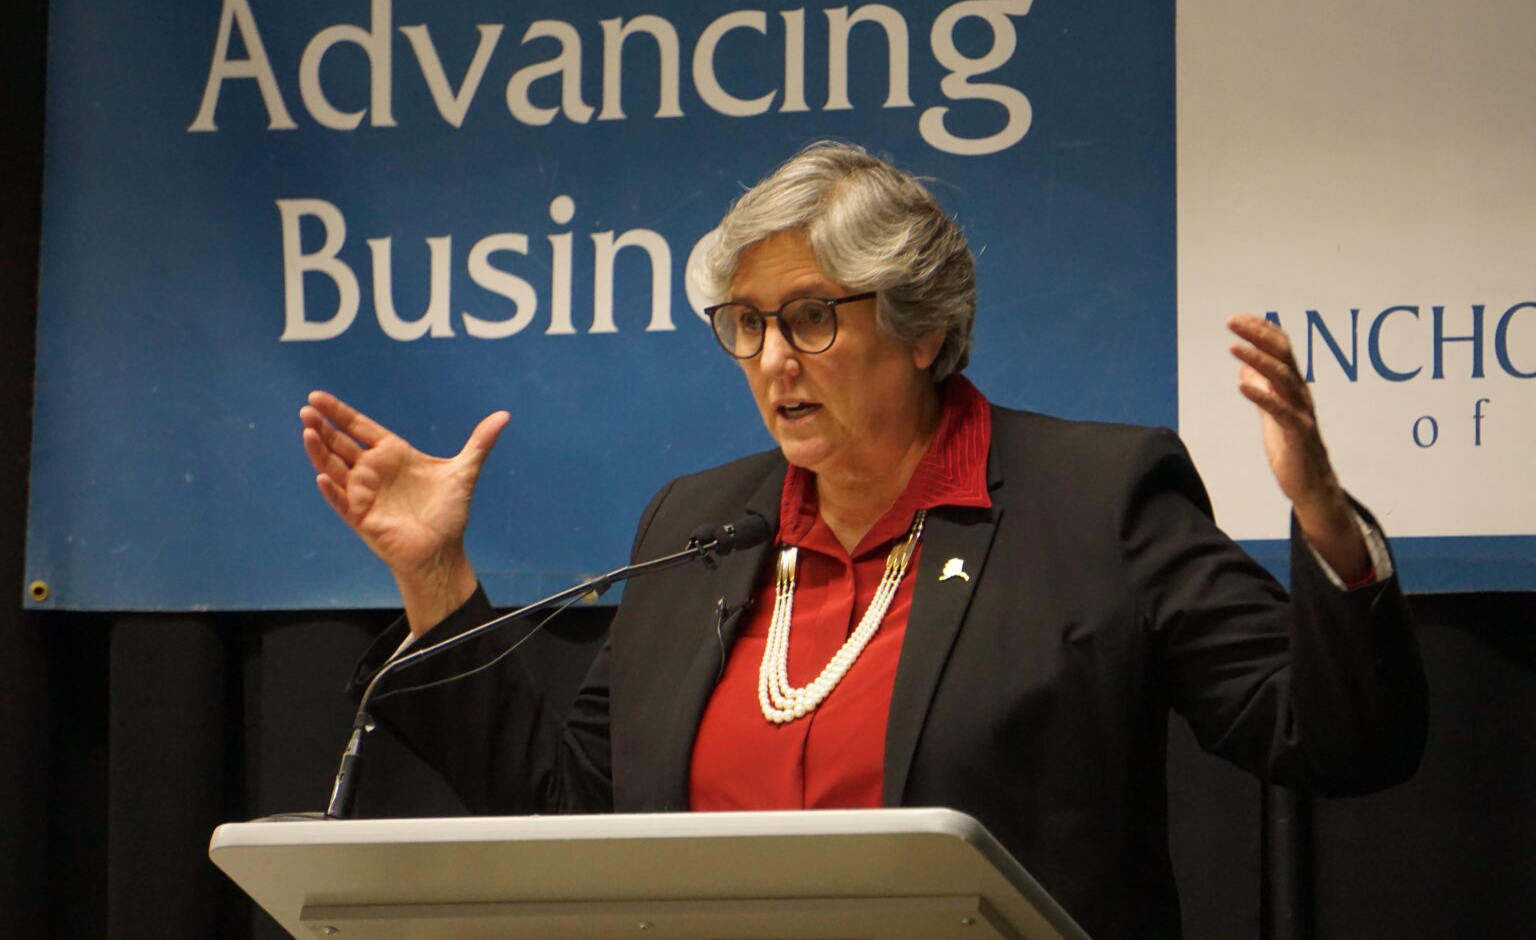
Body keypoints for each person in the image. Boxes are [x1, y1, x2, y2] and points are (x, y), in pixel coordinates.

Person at [300, 142, 1427, 939]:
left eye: (810, 316)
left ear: (926, 327)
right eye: (745, 324)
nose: (772, 361)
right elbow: (573, 814)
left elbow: (1341, 741)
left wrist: (1326, 523)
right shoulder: (695, 529)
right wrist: (435, 575)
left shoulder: (1093, 501)